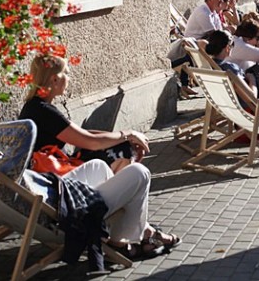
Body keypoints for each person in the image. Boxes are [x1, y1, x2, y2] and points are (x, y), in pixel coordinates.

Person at [19, 55, 179, 259]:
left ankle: (143, 231)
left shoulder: (36, 106)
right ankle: (124, 238)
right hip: (58, 198)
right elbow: (89, 141)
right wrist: (127, 134)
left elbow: (81, 133)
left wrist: (123, 136)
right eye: (66, 73)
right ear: (54, 79)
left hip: (51, 187)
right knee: (139, 173)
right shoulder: (43, 111)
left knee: (101, 167)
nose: (69, 78)